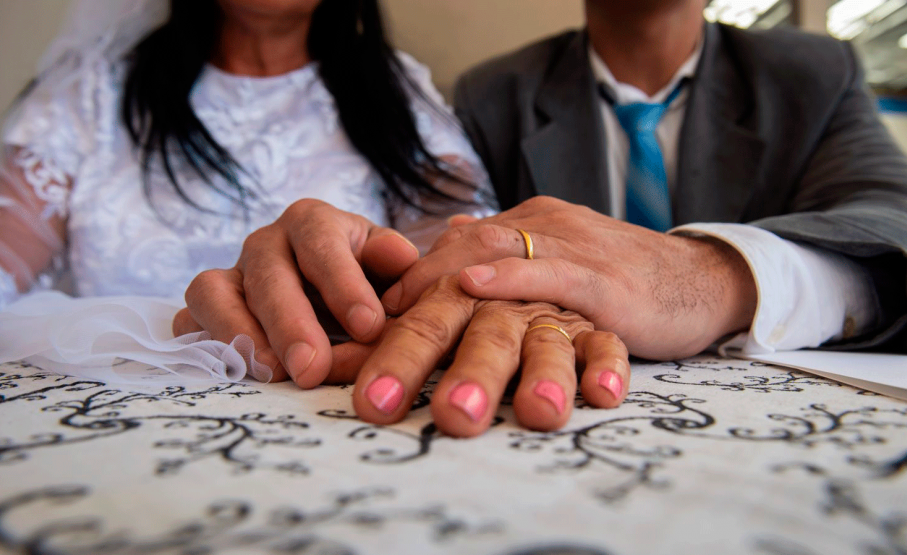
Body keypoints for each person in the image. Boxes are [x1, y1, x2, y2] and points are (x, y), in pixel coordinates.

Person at [177, 0, 907, 414]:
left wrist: (706, 276)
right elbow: (453, 250)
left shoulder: (813, 71)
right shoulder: (493, 94)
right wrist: (348, 278)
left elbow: (896, 221)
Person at [0, 0, 631, 436]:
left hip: (339, 426)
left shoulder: (396, 97)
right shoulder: (88, 96)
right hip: (117, 424)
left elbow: (462, 257)